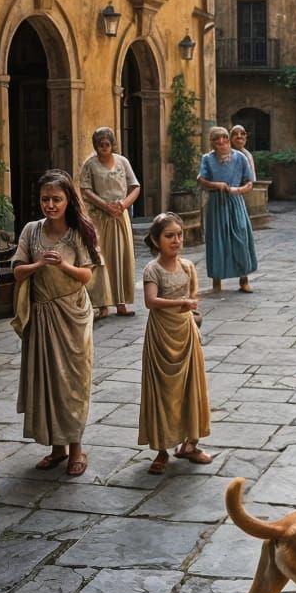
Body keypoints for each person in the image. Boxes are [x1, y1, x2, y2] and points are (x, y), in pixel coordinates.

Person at [11, 170, 98, 478]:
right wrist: (38, 264)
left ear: (68, 200)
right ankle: (56, 448)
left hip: (72, 314)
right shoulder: (31, 231)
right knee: (47, 381)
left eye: (56, 199)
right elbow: (18, 271)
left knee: (73, 383)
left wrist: (64, 265)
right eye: (45, 199)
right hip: (41, 314)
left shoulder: (77, 232)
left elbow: (88, 275)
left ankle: (76, 448)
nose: (50, 205)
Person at [139, 212, 212, 474]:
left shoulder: (188, 267)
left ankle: (190, 442)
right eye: (169, 236)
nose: (176, 240)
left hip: (185, 332)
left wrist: (190, 309)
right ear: (157, 241)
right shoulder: (152, 269)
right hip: (161, 336)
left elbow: (193, 296)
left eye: (179, 235)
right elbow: (150, 301)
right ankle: (161, 449)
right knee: (163, 391)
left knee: (191, 388)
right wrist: (180, 303)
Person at [79, 127, 141, 319]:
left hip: (119, 216)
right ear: (95, 146)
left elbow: (135, 187)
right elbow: (85, 189)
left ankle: (121, 302)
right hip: (99, 217)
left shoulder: (123, 162)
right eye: (100, 145)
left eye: (107, 144)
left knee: (121, 256)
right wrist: (105, 205)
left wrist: (123, 205)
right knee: (101, 257)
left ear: (112, 144)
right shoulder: (90, 164)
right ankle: (102, 304)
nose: (104, 148)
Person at [198, 126, 258, 293]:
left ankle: (244, 279)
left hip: (235, 201)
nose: (222, 141)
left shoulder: (240, 158)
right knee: (217, 240)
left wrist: (237, 190)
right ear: (212, 142)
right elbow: (201, 179)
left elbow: (249, 183)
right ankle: (216, 281)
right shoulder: (207, 159)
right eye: (217, 139)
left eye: (224, 138)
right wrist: (215, 184)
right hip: (216, 203)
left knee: (241, 236)